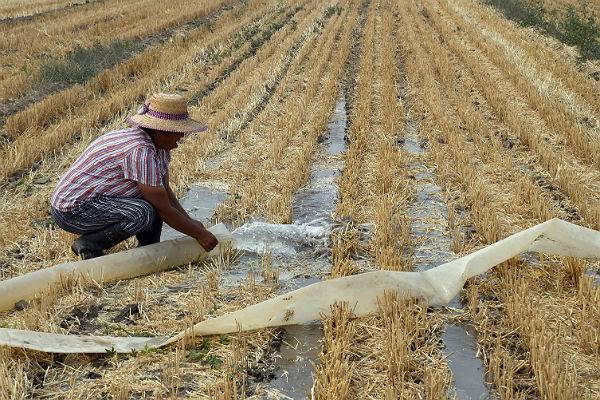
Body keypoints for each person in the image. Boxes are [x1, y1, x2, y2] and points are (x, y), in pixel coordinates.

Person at [50, 93, 218, 260]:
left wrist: (191, 223)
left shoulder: (159, 149)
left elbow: (165, 193)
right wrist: (198, 234)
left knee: (153, 201)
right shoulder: (140, 151)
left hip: (97, 201)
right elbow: (163, 209)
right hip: (74, 211)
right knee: (143, 212)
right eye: (179, 132)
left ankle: (150, 250)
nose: (182, 136)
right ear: (163, 132)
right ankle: (89, 244)